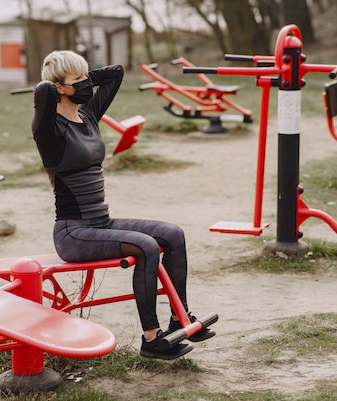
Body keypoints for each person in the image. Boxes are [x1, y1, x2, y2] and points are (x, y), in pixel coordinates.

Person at [31, 50, 215, 360]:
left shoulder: (87, 115)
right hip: (73, 233)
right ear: (59, 88)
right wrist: (55, 75)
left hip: (102, 223)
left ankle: (179, 319)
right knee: (145, 246)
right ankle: (151, 339)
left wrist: (81, 77)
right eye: (79, 80)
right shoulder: (48, 129)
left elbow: (115, 73)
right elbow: (42, 92)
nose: (87, 85)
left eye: (88, 78)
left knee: (173, 234)